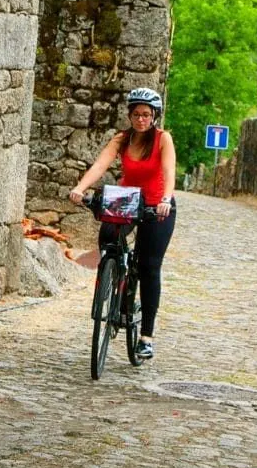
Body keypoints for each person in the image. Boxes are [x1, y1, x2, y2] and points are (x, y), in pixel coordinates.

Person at [68, 87, 177, 361]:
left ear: (154, 117)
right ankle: (115, 274)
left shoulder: (163, 140)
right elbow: (100, 165)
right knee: (107, 235)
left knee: (150, 267)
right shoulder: (122, 139)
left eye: (146, 115)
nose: (141, 119)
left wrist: (165, 198)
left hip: (156, 205)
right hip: (126, 200)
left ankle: (146, 337)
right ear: (129, 115)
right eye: (136, 114)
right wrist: (80, 188)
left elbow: (169, 171)